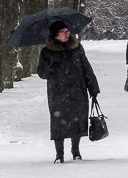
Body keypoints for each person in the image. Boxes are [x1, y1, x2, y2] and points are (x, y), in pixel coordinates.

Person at [37, 19, 100, 163]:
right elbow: (42, 74)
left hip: (77, 89)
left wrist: (93, 88)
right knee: (58, 122)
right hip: (57, 92)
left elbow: (86, 68)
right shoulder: (47, 52)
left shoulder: (76, 48)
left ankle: (76, 150)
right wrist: (51, 63)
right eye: (63, 32)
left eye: (67, 31)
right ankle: (59, 154)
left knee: (76, 120)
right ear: (55, 35)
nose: (66, 34)